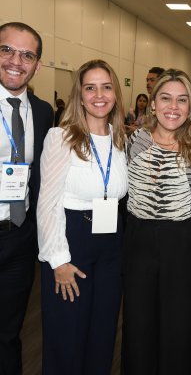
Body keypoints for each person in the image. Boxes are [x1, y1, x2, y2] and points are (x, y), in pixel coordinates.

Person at [121, 68, 191, 375]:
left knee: (180, 328)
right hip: (138, 241)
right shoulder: (134, 140)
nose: (173, 107)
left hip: (184, 244)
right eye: (165, 98)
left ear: (190, 106)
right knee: (138, 327)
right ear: (152, 103)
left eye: (181, 100)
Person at [37, 59, 128, 375]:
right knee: (67, 337)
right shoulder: (61, 138)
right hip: (71, 241)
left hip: (111, 246)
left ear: (116, 92)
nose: (99, 95)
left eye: (106, 86)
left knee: (102, 335)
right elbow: (47, 204)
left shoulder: (121, 139)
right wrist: (59, 261)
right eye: (90, 87)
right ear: (80, 94)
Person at [0, 21, 53, 374]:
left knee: (8, 333)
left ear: (36, 64)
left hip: (18, 240)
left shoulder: (45, 112)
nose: (16, 60)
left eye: (27, 54)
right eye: (7, 49)